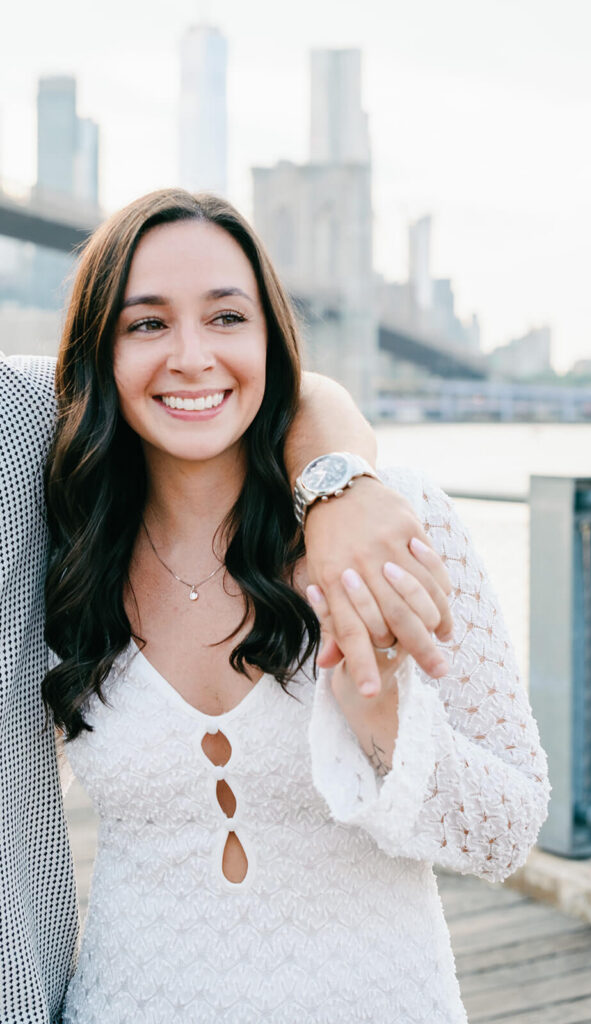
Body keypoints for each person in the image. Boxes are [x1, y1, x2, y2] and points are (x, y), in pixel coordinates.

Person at [40, 188, 549, 1023]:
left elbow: (506, 832)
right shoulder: (60, 550)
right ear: (101, 351)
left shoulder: (397, 521)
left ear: (273, 341)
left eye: (226, 317)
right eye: (147, 324)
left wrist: (381, 726)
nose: (192, 356)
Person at [0, 257, 453, 1022]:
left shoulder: (16, 418)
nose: (190, 346)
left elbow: (219, 380)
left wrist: (337, 482)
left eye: (224, 316)